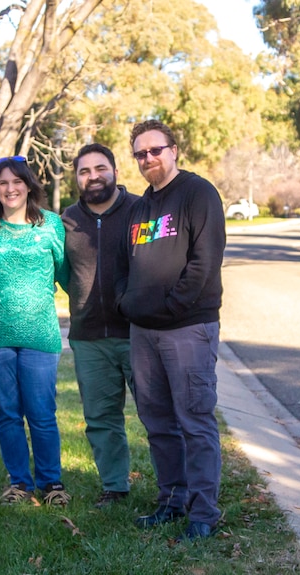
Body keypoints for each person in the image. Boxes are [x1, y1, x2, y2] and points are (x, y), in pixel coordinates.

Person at [114, 120, 226, 542]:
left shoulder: (199, 194)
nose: (148, 159)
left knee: (194, 420)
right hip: (143, 332)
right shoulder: (141, 207)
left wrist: (171, 307)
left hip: (187, 328)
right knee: (158, 421)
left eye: (155, 150)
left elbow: (205, 260)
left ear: (174, 150)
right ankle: (172, 500)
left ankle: (204, 514)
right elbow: (125, 265)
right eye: (140, 154)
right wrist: (128, 302)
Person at [0, 156, 70, 506]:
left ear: (29, 185)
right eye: (3, 183)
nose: (10, 188)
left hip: (40, 336)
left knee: (42, 413)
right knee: (8, 413)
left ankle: (52, 484)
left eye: (17, 182)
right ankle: (19, 483)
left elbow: (66, 273)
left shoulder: (51, 225)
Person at [60, 143, 139, 508]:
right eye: (85, 171)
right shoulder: (65, 220)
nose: (93, 176)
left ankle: (177, 485)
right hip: (89, 336)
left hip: (139, 331)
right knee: (101, 418)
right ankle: (115, 486)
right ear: (76, 178)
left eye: (100, 168)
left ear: (116, 171)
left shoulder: (141, 209)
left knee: (157, 412)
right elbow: (61, 270)